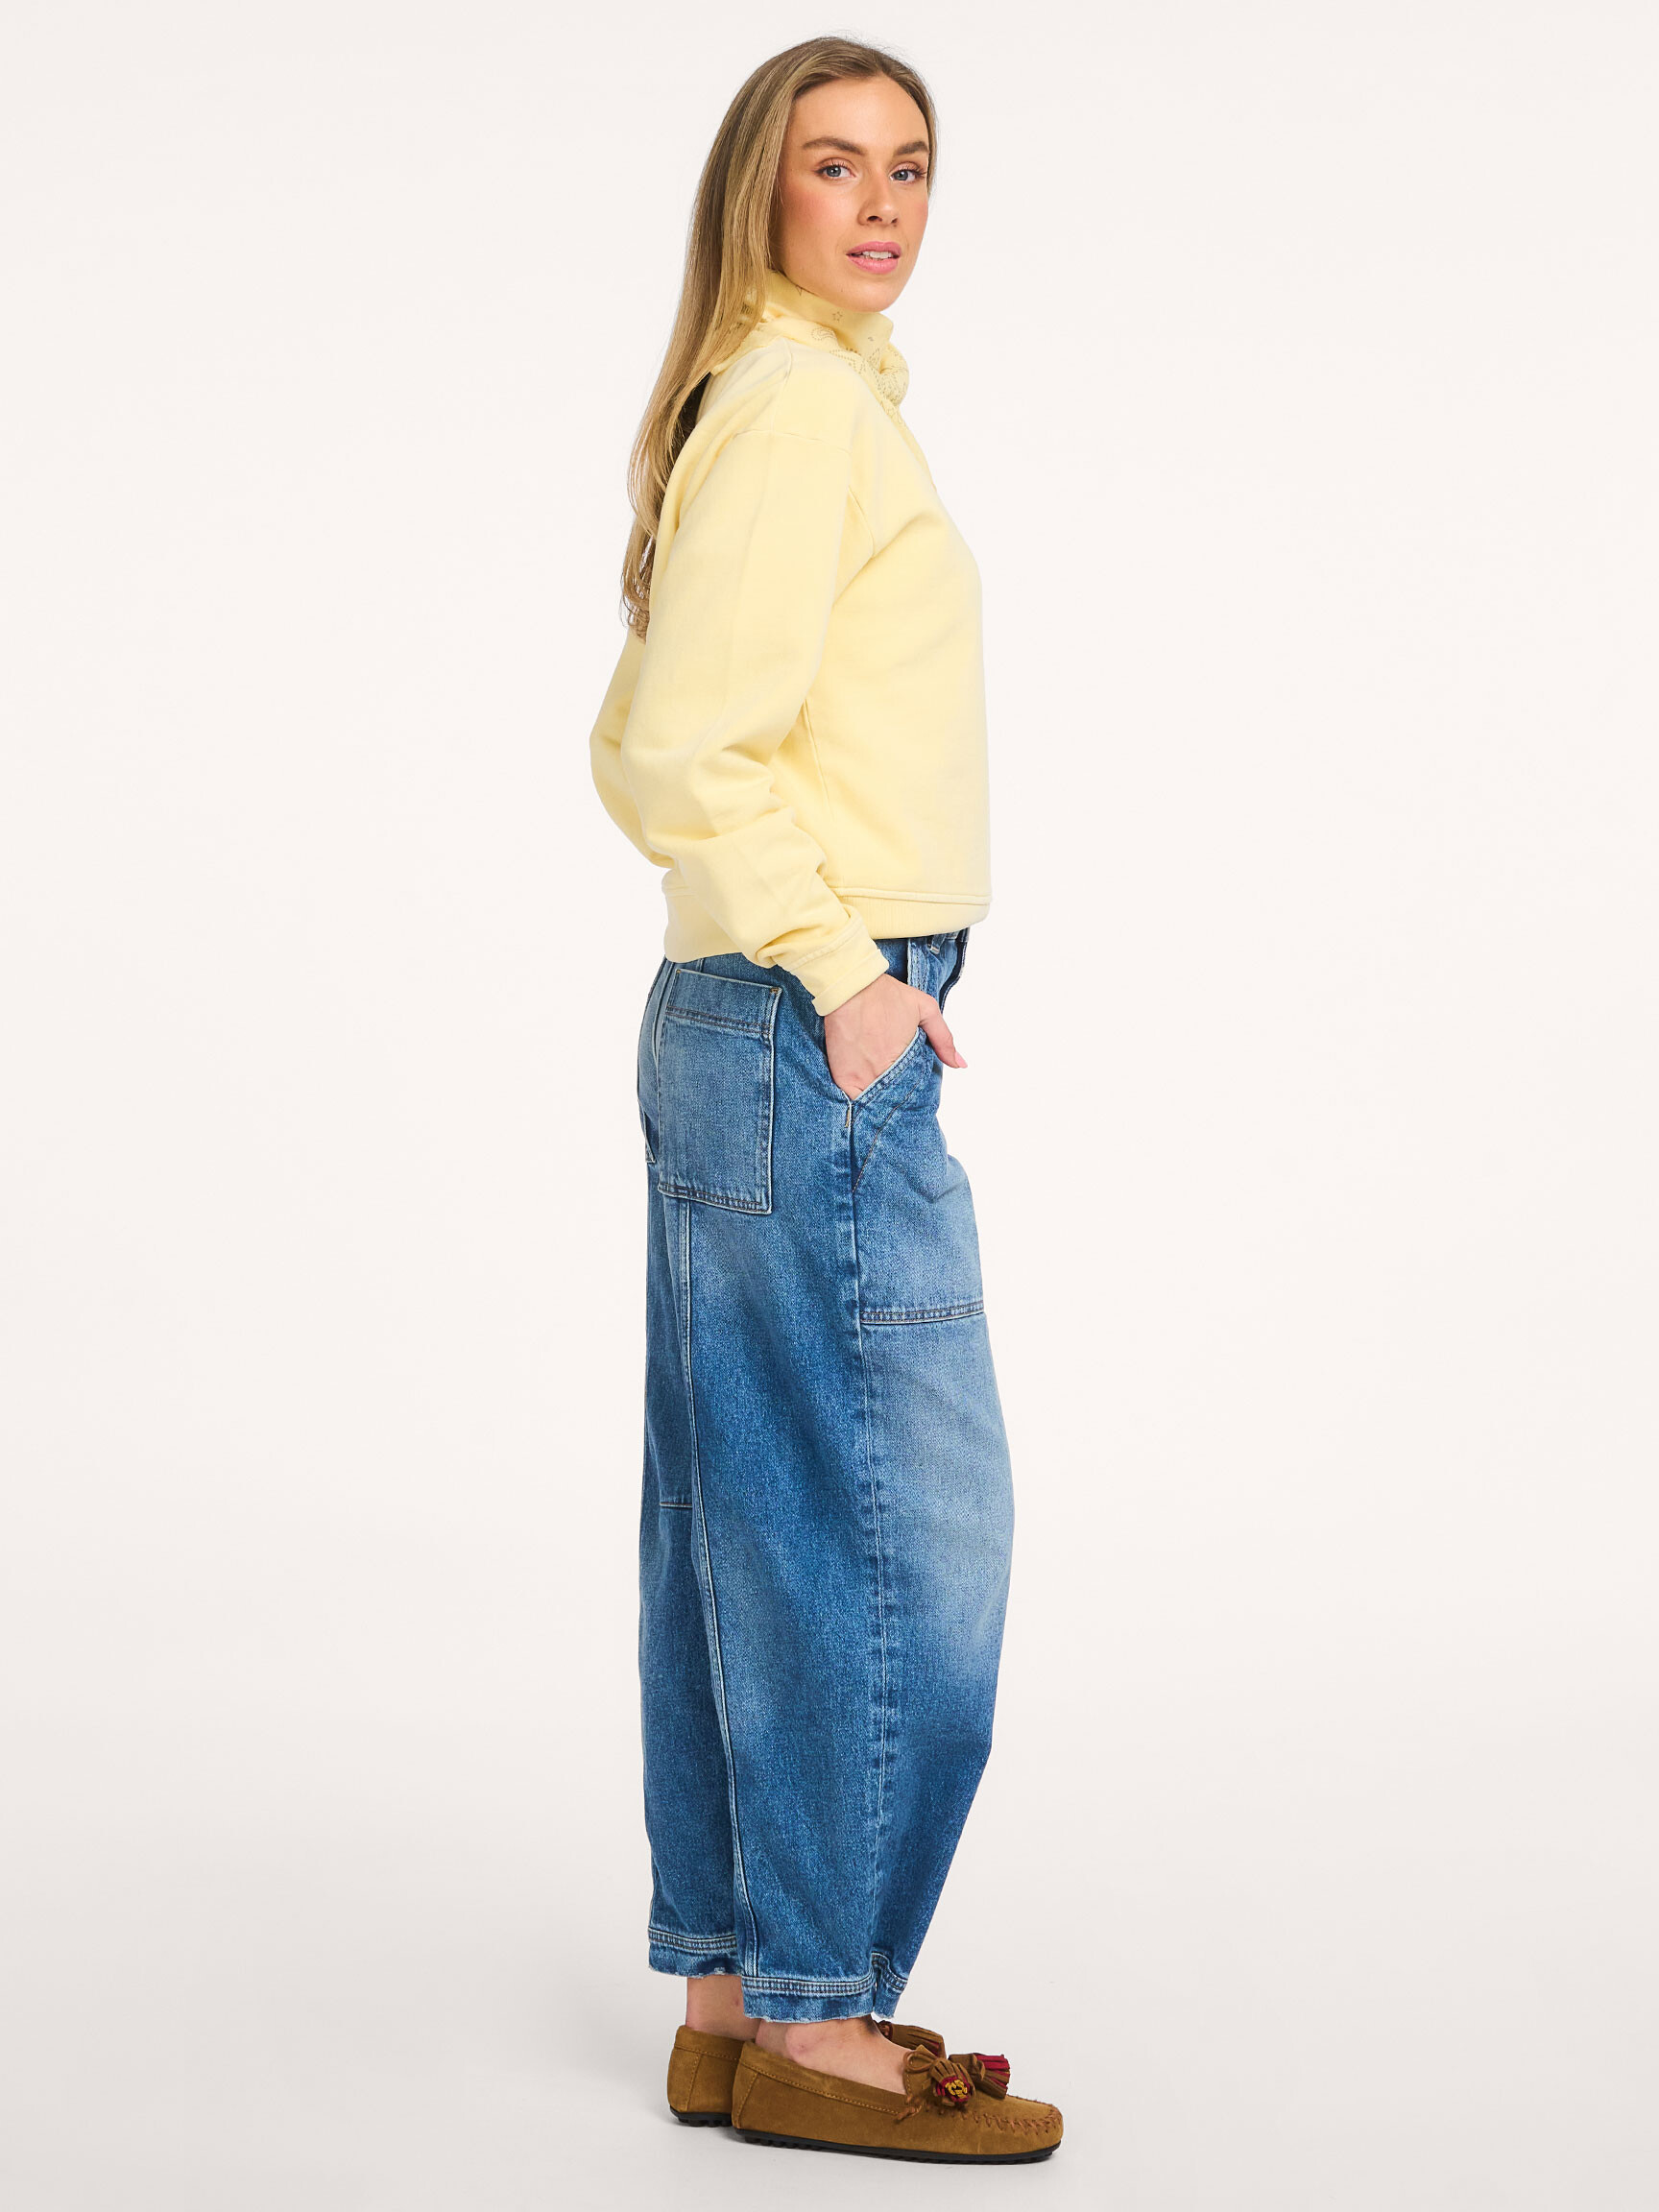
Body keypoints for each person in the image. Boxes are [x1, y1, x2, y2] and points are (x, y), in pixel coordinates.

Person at [589, 36, 1062, 2165]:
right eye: (836, 167)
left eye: (912, 170)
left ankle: (731, 1996)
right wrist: (850, 971)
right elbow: (678, 749)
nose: (881, 208)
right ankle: (820, 2021)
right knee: (895, 1534)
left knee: (750, 1520)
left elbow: (654, 728)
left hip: (757, 1024)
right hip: (806, 1019)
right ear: (758, 194)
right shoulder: (796, 410)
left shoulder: (798, 398)